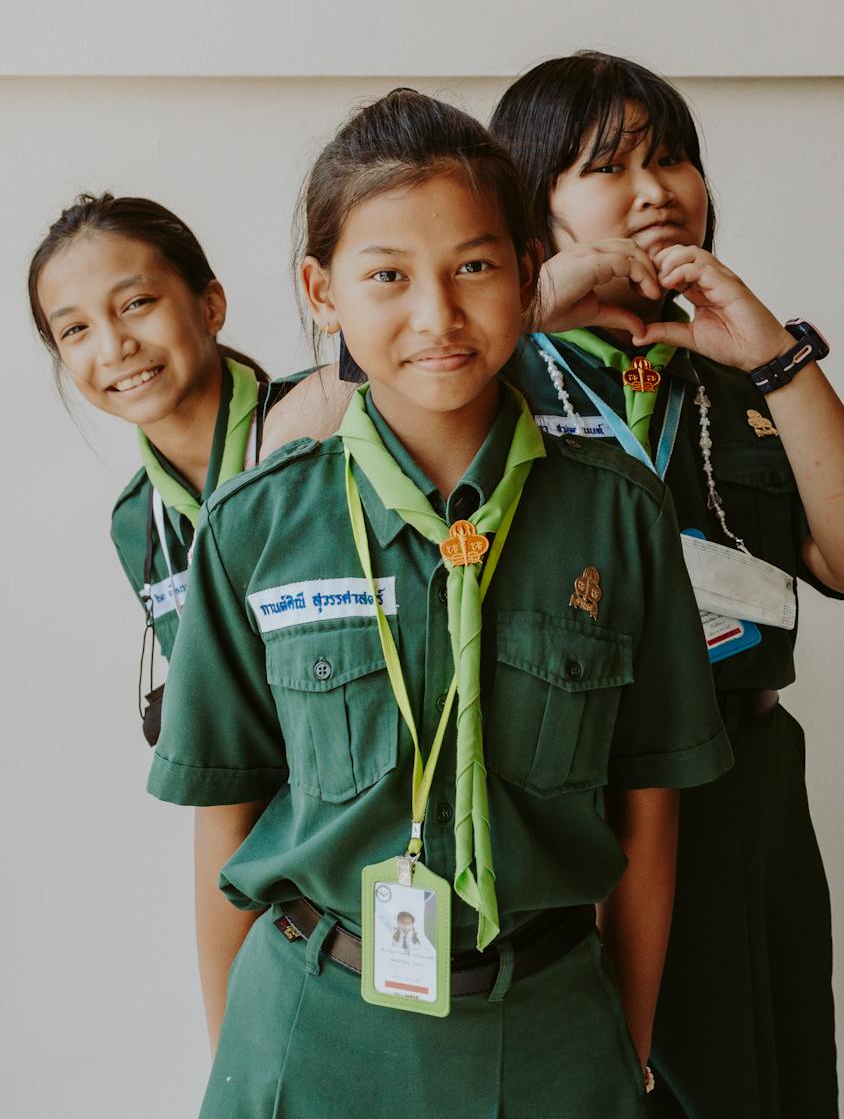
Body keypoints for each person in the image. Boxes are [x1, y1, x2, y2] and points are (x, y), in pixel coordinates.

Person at [147, 88, 732, 1116]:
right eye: (388, 276)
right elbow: (224, 814)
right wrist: (236, 1049)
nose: (438, 315)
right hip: (311, 1021)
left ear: (525, 275)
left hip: (549, 1027)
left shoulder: (618, 514)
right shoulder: (256, 525)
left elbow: (650, 802)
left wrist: (625, 1036)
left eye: (474, 266)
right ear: (321, 293)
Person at [27, 194, 275, 745]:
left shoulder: (319, 438)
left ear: (210, 305)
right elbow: (220, 729)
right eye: (75, 330)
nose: (114, 346)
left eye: (136, 303)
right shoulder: (137, 522)